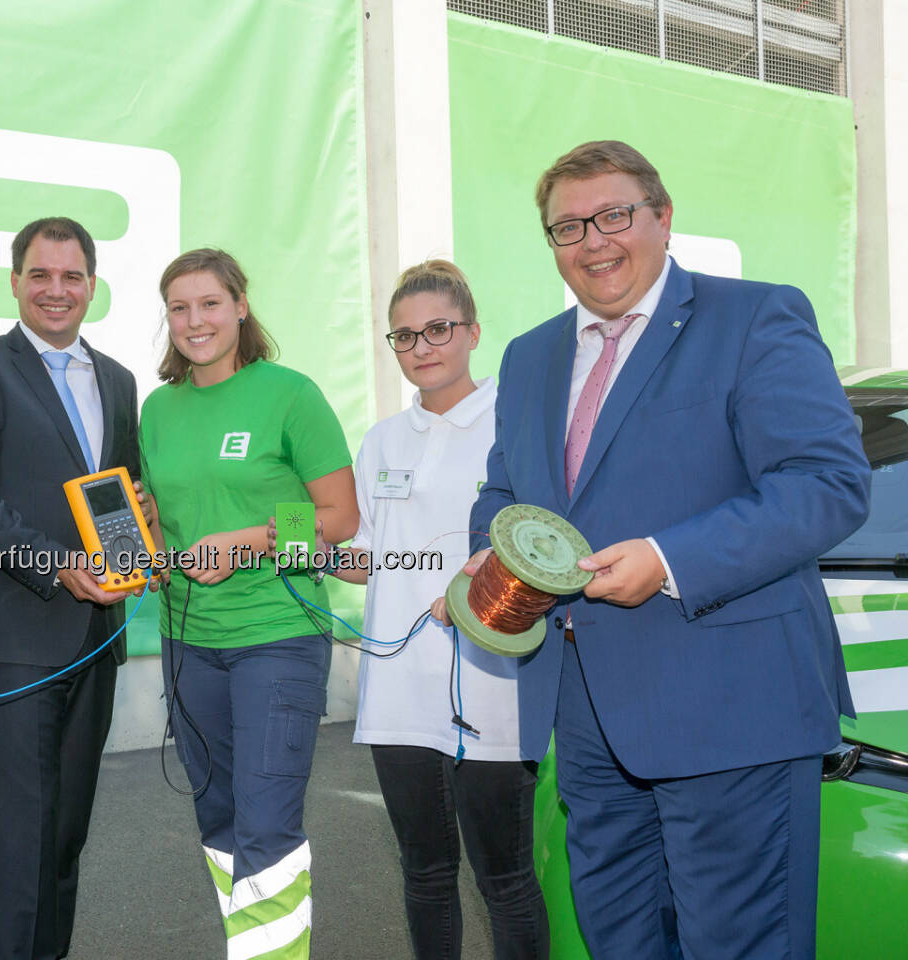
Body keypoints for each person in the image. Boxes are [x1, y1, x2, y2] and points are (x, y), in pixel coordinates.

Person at [455, 140, 869, 958]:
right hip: (584, 717)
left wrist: (669, 560)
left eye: (614, 215)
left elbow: (826, 482)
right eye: (567, 227)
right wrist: (490, 553)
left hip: (732, 709)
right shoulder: (529, 355)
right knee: (620, 942)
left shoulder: (754, 317)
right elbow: (506, 493)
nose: (594, 242)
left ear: (663, 217)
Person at [313, 260, 547, 959]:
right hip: (398, 688)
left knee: (504, 876)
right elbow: (366, 556)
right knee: (425, 872)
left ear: (473, 331)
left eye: (438, 329)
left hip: (494, 683)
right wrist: (309, 551)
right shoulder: (383, 438)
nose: (422, 346)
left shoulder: (517, 424)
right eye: (405, 335)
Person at [139, 248, 357, 960]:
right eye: (179, 307)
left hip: (278, 635)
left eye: (209, 303)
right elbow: (168, 517)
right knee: (221, 817)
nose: (194, 320)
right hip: (187, 638)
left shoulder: (290, 394)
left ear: (240, 305)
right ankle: (255, 947)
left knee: (267, 824)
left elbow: (338, 517)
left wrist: (254, 538)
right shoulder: (159, 409)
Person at [0, 216, 141, 960]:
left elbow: (117, 493)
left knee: (65, 833)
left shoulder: (119, 380)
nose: (56, 291)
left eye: (71, 277)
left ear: (92, 284)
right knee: (23, 836)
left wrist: (138, 524)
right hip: (17, 633)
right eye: (40, 275)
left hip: (98, 633)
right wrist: (57, 565)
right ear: (17, 281)